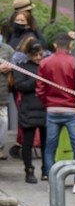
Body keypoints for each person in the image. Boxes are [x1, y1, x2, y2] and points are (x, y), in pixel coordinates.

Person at [39, 33, 75, 177]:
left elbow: (40, 88)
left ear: (55, 45)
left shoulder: (45, 62)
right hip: (72, 108)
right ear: (70, 45)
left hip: (52, 109)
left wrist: (46, 103)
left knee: (50, 147)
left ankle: (52, 181)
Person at [7, 38, 46, 184]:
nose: (38, 58)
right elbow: (19, 85)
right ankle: (29, 170)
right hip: (28, 108)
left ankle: (46, 169)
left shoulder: (45, 65)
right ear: (28, 54)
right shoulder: (21, 67)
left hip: (43, 108)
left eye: (40, 54)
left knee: (46, 142)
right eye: (35, 55)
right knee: (27, 142)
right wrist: (37, 81)